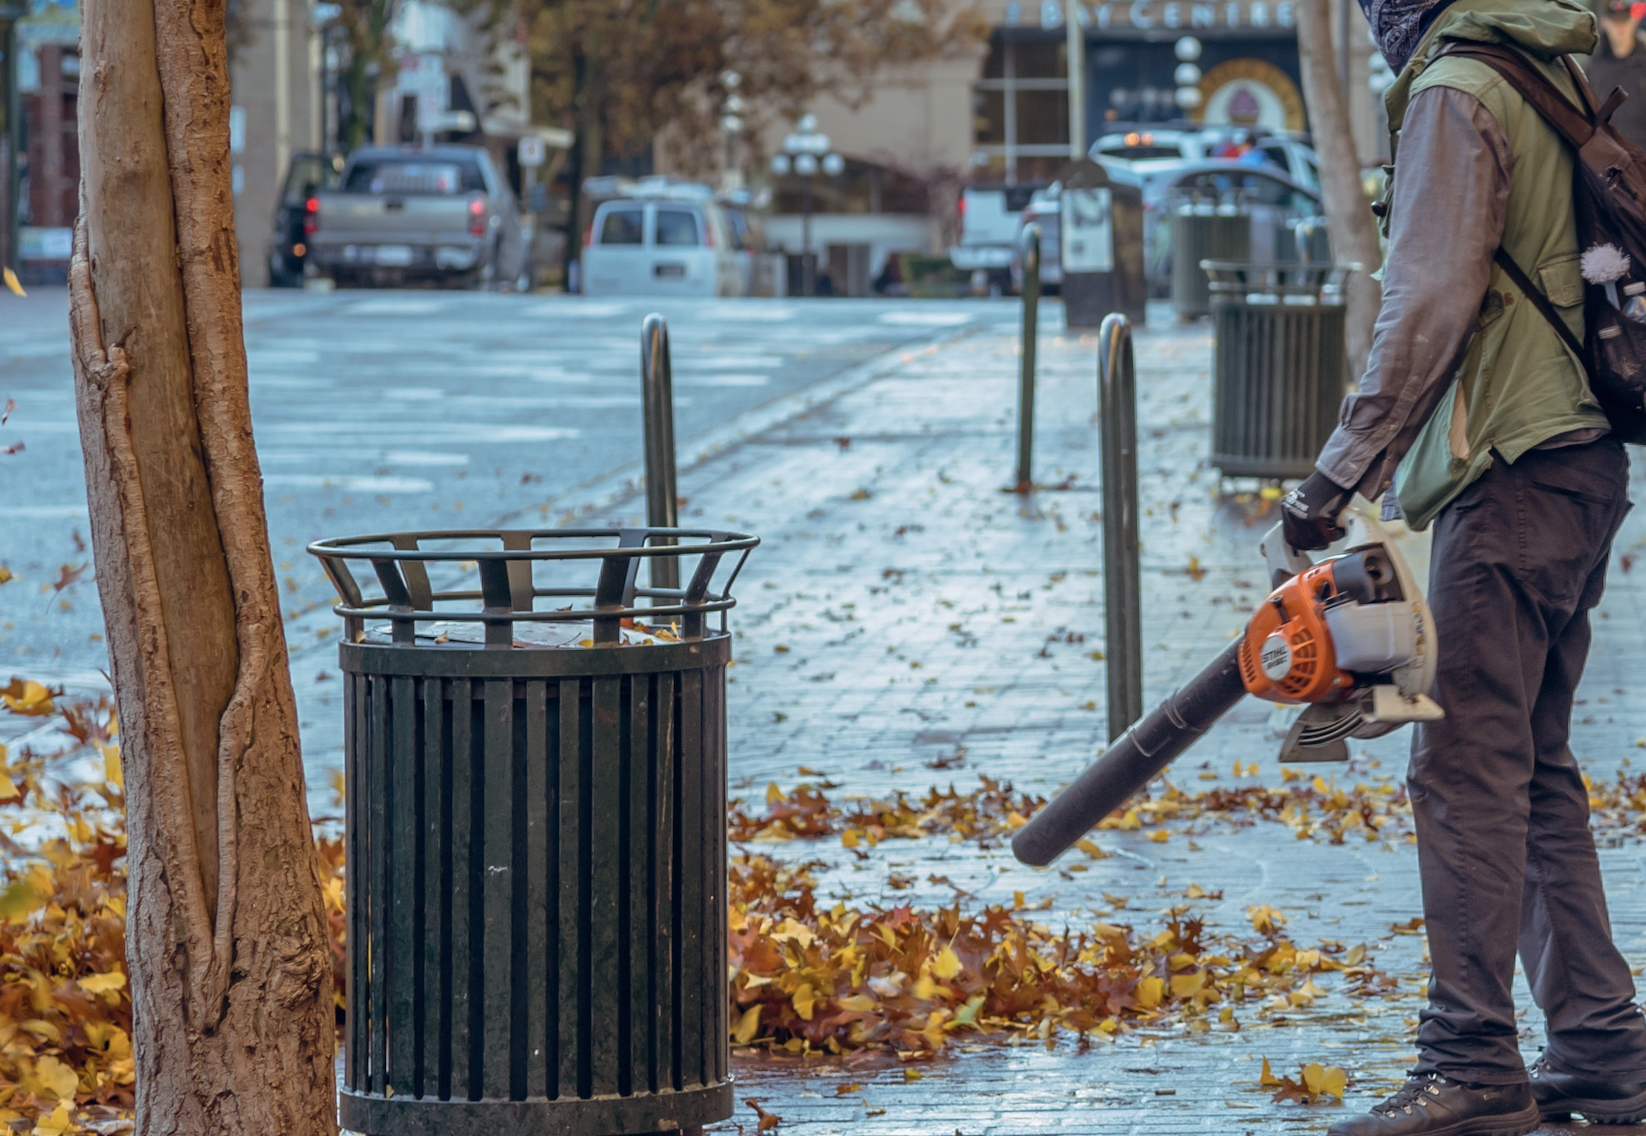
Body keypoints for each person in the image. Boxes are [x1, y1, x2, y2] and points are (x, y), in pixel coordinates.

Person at [1280, 0, 1646, 1129]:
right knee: (1526, 767)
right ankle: (1599, 1049)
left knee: (1461, 769)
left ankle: (1471, 1061)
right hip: (1575, 462)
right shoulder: (1549, 62)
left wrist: (1330, 480)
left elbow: (1428, 298)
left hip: (1513, 471)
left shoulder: (1455, 87)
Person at [1586, 0, 1646, 149]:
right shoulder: (1593, 64)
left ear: (1633, 21)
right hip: (1606, 157)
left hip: (1642, 156)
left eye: (1625, 20)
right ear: (1605, 22)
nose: (1621, 27)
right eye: (1615, 21)